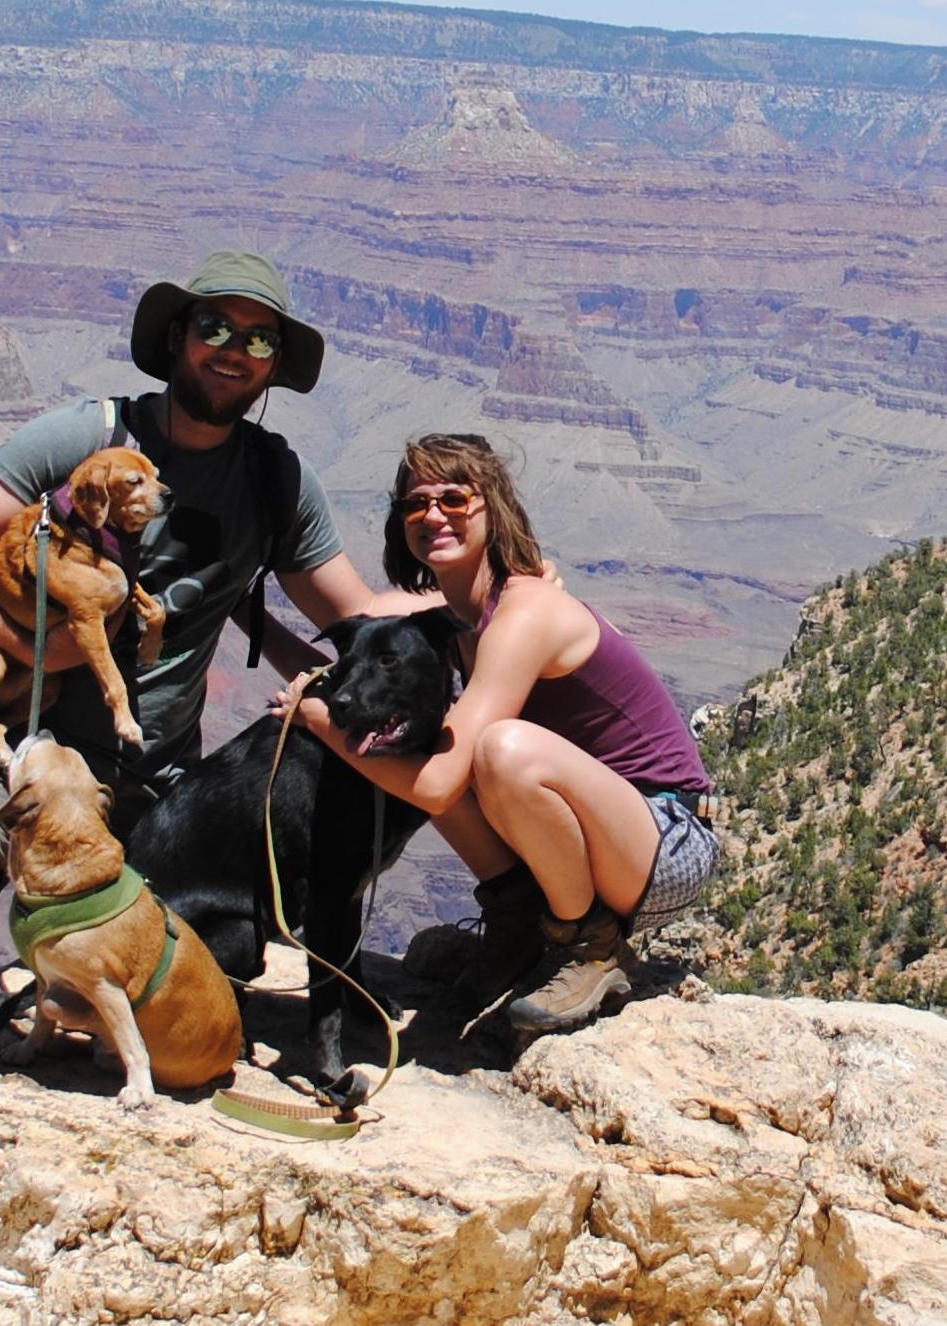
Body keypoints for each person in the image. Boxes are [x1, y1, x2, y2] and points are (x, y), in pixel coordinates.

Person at [0, 252, 416, 1285]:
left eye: (258, 338)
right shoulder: (86, 434)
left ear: (273, 366)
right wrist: (49, 651)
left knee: (183, 980)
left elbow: (350, 614)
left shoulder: (271, 479)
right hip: (23, 740)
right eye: (216, 325)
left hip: (152, 775)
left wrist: (501, 618)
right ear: (176, 336)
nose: (234, 351)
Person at [280, 431, 718, 1039]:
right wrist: (242, 611)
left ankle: (590, 949)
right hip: (600, 836)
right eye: (415, 503)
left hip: (666, 841)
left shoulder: (524, 613)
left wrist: (317, 718)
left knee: (491, 749)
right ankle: (518, 921)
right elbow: (350, 622)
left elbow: (435, 788)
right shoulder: (449, 618)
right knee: (434, 736)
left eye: (455, 499)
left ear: (494, 507)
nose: (432, 514)